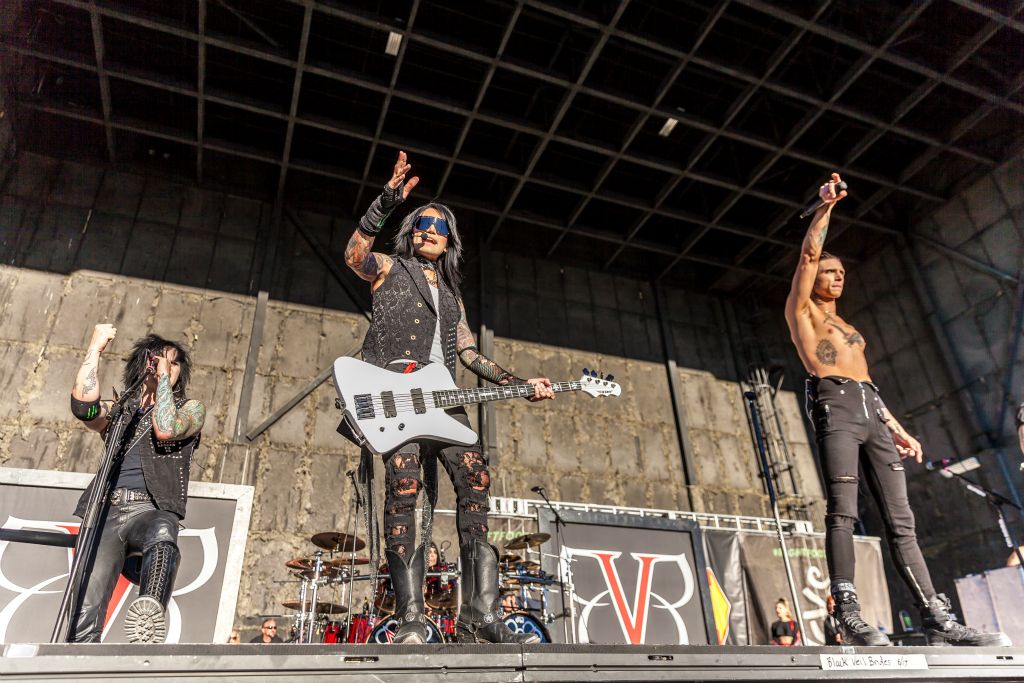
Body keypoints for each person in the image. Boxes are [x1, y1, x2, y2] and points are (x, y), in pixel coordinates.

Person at [784, 173, 1011, 647]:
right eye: (830, 271)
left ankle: (936, 617)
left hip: (869, 407)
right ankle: (847, 612)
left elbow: (868, 381)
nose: (838, 276)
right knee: (843, 510)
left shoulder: (848, 326)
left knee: (901, 520)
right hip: (835, 404)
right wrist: (826, 207)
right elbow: (808, 255)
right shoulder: (803, 311)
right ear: (814, 277)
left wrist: (896, 426)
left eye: (842, 272)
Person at [343, 151, 554, 644]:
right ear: (411, 231)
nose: (430, 229)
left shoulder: (454, 298)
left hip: (444, 400)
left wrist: (519, 384)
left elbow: (469, 354)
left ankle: (479, 616)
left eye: (439, 226)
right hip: (397, 396)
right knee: (405, 488)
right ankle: (411, 617)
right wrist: (386, 201)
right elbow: (354, 255)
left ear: (450, 240)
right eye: (422, 223)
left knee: (476, 480)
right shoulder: (389, 268)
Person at [69, 325, 205, 643]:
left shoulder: (191, 409)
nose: (166, 367)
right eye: (159, 360)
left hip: (149, 507)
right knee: (84, 611)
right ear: (143, 364)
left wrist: (163, 381)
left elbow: (166, 428)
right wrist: (95, 348)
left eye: (174, 363)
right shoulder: (121, 411)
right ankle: (78, 656)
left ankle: (150, 612)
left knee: (163, 528)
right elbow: (84, 408)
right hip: (105, 510)